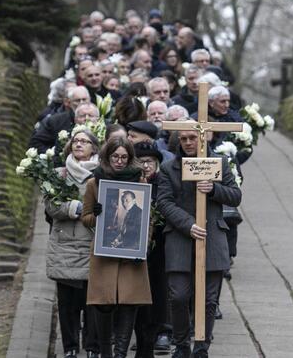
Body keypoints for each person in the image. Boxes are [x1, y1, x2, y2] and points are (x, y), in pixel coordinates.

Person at [156, 125, 242, 358]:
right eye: (183, 139)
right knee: (179, 295)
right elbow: (163, 202)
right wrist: (188, 224)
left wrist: (214, 189)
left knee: (209, 300)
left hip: (212, 237)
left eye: (192, 137)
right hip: (180, 238)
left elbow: (235, 195)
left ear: (202, 138)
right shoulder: (168, 168)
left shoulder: (219, 163)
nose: (188, 142)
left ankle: (202, 347)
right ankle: (182, 344)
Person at [82, 138, 152, 358]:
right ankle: (105, 351)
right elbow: (85, 218)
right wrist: (97, 215)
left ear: (130, 159)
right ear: (107, 157)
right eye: (115, 157)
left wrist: (143, 245)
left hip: (131, 255)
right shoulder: (94, 183)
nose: (119, 161)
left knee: (129, 303)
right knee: (103, 303)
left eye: (124, 157)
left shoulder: (140, 183)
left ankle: (120, 353)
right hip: (105, 254)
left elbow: (148, 219)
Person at [46, 129, 101, 358]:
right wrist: (73, 208)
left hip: (91, 242)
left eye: (84, 141)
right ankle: (69, 346)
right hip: (65, 244)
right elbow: (50, 206)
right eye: (75, 141)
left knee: (92, 301)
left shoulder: (102, 174)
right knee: (67, 301)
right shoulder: (58, 174)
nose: (79, 144)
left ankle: (92, 346)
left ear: (94, 148)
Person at [132, 141, 171, 357]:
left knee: (157, 295)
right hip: (135, 251)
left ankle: (152, 337)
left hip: (159, 251)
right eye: (141, 161)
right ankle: (139, 340)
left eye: (149, 162)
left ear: (156, 163)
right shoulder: (130, 183)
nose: (145, 166)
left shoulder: (164, 183)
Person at [29, 87, 91, 153]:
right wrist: (54, 155)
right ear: (69, 102)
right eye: (77, 100)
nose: (81, 103)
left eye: (84, 99)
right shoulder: (55, 121)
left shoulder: (97, 118)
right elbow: (36, 142)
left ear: (89, 100)